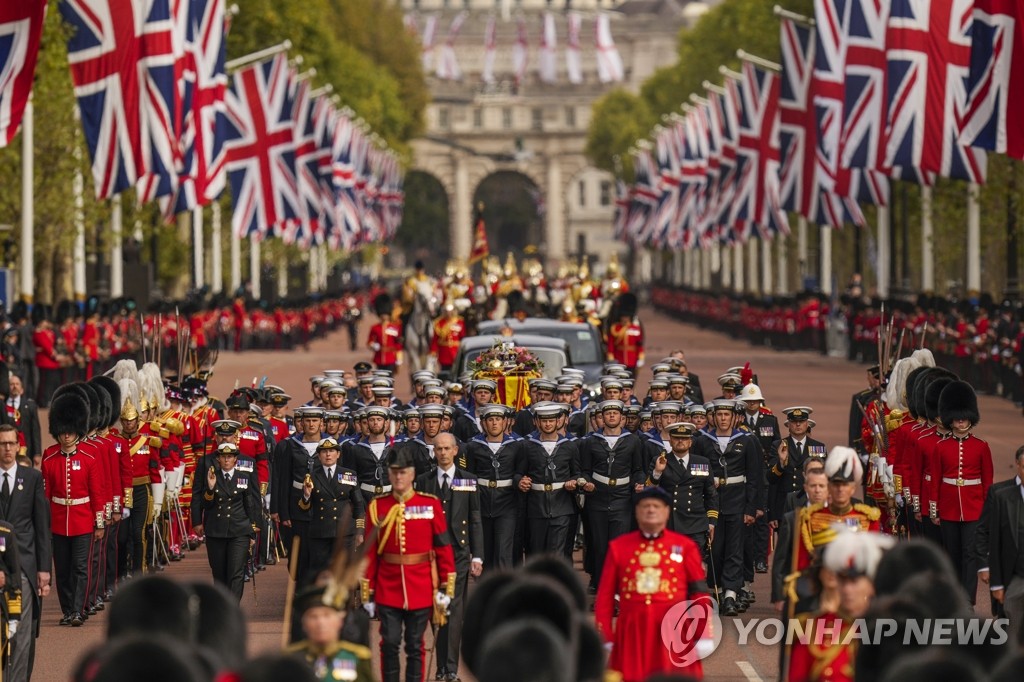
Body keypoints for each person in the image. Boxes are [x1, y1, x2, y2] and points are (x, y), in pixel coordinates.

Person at [594, 486, 712, 682]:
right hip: (632, 632)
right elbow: (605, 596)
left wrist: (703, 633)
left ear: (667, 512)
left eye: (656, 506)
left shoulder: (685, 547)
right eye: (645, 506)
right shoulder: (619, 547)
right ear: (637, 513)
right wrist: (605, 633)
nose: (651, 510)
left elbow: (699, 594)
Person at [361, 444, 456, 682]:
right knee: (390, 643)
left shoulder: (431, 504)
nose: (398, 476)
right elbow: (370, 554)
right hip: (387, 587)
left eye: (403, 472)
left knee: (415, 645)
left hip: (421, 586)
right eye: (394, 472)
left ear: (412, 474)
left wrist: (447, 587)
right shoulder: (377, 506)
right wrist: (367, 593)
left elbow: (443, 548)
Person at [414, 432, 483, 682]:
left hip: (459, 554)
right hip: (431, 556)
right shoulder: (423, 481)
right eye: (438, 449)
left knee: (453, 610)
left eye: (446, 448)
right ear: (434, 452)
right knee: (437, 608)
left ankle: (450, 668)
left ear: (456, 451)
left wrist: (479, 557)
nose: (442, 453)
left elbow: (475, 518)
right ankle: (441, 665)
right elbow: (417, 519)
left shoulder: (469, 480)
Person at [787, 528, 893, 682]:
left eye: (854, 582)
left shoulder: (892, 628)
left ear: (871, 584)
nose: (847, 589)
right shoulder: (814, 629)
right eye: (842, 581)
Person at [40, 392, 106, 626]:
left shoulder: (89, 457)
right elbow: (45, 497)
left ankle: (78, 610)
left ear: (77, 430)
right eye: (62, 431)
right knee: (63, 571)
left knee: (80, 568)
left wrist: (99, 523)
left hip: (83, 520)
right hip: (58, 522)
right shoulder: (49, 458)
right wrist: (44, 525)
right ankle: (67, 609)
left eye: (70, 431)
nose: (66, 435)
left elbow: (97, 493)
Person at [928, 380, 992, 605]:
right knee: (953, 554)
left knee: (970, 555)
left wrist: (986, 510)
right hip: (948, 507)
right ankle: (955, 599)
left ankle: (968, 602)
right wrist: (934, 509)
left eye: (964, 417)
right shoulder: (940, 447)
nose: (961, 421)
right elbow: (935, 479)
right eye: (957, 417)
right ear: (950, 418)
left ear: (970, 417)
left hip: (974, 508)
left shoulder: (981, 446)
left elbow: (987, 481)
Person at [579, 400, 647, 590]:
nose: (611, 416)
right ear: (602, 418)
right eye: (607, 414)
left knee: (619, 547)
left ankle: (619, 590)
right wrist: (586, 482)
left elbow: (638, 469)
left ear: (622, 419)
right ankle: (603, 589)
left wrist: (639, 483)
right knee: (600, 547)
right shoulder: (591, 441)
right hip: (597, 498)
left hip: (622, 498)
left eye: (615, 414)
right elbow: (585, 469)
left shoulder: (633, 440)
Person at [0, 422, 49, 680]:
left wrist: (44, 570)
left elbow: (41, 526)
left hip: (23, 570)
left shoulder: (32, 478)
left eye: (11, 443)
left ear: (18, 446)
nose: (7, 448)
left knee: (19, 633)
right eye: (2, 444)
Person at [195, 443, 261, 601]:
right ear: (218, 459)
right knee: (219, 574)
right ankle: (222, 606)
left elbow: (250, 504)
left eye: (230, 457)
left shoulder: (243, 478)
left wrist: (252, 530)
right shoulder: (211, 476)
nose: (226, 460)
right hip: (216, 531)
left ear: (235, 459)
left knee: (236, 573)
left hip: (239, 531)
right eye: (223, 457)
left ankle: (233, 608)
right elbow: (205, 504)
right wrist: (210, 489)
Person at [516, 402, 582, 559]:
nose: (547, 424)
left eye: (551, 420)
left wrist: (574, 482)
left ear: (558, 421)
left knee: (556, 554)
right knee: (536, 553)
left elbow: (577, 473)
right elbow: (518, 473)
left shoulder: (569, 446)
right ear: (537, 422)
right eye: (544, 421)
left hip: (562, 506)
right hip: (536, 507)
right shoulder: (527, 446)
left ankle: (555, 583)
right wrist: (520, 481)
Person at [463, 403, 521, 570]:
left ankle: (505, 591)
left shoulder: (516, 445)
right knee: (484, 550)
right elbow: (469, 474)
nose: (494, 423)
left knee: (504, 550)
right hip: (481, 501)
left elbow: (520, 472)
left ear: (505, 422)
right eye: (490, 420)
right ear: (483, 423)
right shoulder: (472, 446)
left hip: (507, 503)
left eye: (498, 419)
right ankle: (486, 590)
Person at [299, 438, 365, 577]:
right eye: (324, 452)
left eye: (331, 451)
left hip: (344, 532)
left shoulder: (349, 475)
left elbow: (359, 505)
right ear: (318, 455)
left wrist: (359, 531)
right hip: (320, 533)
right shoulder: (311, 476)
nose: (328, 455)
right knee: (320, 574)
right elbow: (304, 508)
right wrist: (306, 496)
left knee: (344, 573)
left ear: (338, 454)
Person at [649, 421, 718, 552]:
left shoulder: (702, 462)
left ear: (690, 442)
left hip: (696, 524)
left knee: (694, 567)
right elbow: (650, 492)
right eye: (676, 438)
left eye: (685, 438)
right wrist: (657, 472)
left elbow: (711, 494)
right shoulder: (660, 461)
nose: (680, 441)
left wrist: (711, 522)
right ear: (670, 441)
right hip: (671, 525)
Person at [979, 445, 1024, 641]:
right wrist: (988, 571)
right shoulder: (1001, 495)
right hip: (1014, 575)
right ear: (1018, 465)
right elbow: (989, 533)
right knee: (1011, 627)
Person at [287, 585, 374, 682]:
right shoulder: (290, 659)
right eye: (313, 617)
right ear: (304, 624)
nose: (320, 623)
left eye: (327, 615)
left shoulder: (357, 657)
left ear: (340, 621)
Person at [8, 374, 42, 465]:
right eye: (11, 384)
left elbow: (35, 430)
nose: (14, 386)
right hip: (7, 449)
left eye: (17, 384)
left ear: (22, 389)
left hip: (27, 449)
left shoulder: (30, 406)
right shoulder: (2, 406)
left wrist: (37, 453)